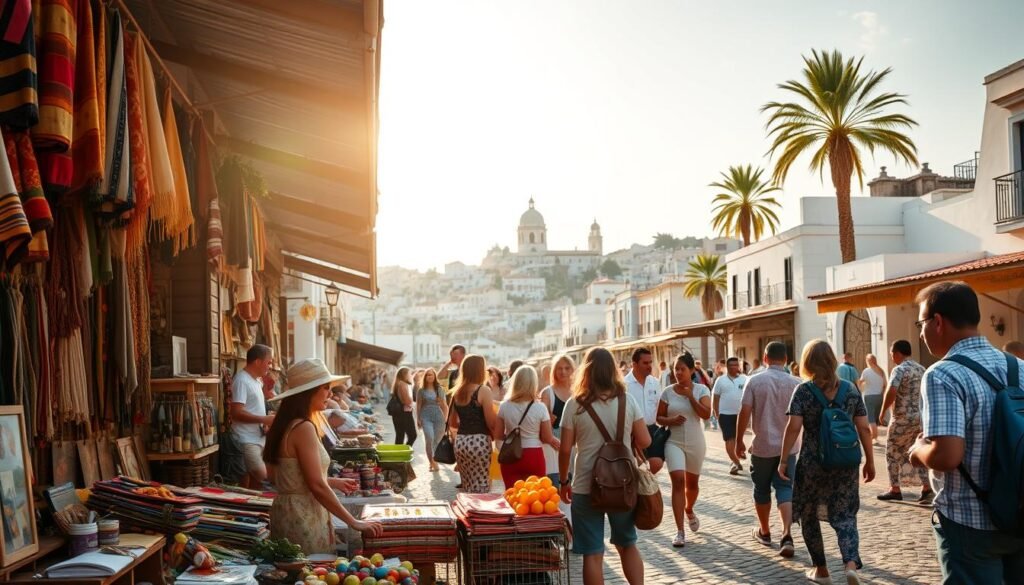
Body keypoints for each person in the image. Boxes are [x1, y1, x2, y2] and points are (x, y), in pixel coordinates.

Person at [909, 281, 1024, 583]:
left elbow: (947, 456)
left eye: (921, 323)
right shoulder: (1020, 367)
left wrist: (918, 451)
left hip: (970, 523)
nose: (921, 332)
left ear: (937, 322)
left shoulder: (943, 374)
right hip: (1021, 512)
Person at [264, 359, 383, 553]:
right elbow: (316, 485)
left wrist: (332, 482)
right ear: (309, 393)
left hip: (287, 512)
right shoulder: (303, 428)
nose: (330, 394)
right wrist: (354, 522)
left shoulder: (285, 424)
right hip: (303, 516)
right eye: (326, 388)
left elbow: (284, 475)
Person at [780, 340, 874, 585]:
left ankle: (821, 571)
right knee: (845, 514)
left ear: (807, 362)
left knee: (809, 514)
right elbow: (864, 428)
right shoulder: (851, 390)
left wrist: (783, 460)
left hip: (813, 463)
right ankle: (850, 564)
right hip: (846, 462)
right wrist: (870, 461)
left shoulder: (803, 391)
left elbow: (794, 428)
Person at [558, 347, 651, 585]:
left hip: (585, 485)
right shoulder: (627, 400)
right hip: (623, 484)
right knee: (627, 543)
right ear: (612, 370)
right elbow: (646, 441)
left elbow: (566, 448)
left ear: (585, 372)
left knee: (592, 552)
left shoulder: (575, 404)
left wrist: (563, 482)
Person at [735, 342, 800, 558]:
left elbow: (744, 412)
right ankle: (787, 533)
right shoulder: (796, 383)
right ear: (785, 358)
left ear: (765, 358)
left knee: (761, 489)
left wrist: (738, 441)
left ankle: (764, 531)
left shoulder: (754, 381)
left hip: (762, 446)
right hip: (788, 449)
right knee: (785, 487)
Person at [656, 352, 711, 548]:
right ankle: (680, 531)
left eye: (682, 369)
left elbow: (706, 415)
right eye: (675, 369)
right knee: (678, 481)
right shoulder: (667, 392)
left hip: (696, 442)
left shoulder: (702, 390)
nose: (678, 372)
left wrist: (691, 398)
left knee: (692, 485)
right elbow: (659, 418)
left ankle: (689, 508)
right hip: (674, 442)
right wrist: (671, 421)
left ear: (692, 370)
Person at [877, 340, 932, 503]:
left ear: (898, 353)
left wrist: (882, 411)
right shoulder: (921, 369)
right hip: (919, 418)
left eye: (892, 353)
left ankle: (895, 488)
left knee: (891, 450)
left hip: (902, 419)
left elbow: (892, 390)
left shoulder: (899, 369)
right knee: (917, 450)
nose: (891, 357)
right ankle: (927, 487)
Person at [494, 366, 560, 489]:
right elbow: (546, 437)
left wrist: (509, 441)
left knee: (512, 497)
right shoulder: (540, 408)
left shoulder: (504, 406)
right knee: (534, 497)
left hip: (511, 456)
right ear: (533, 384)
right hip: (534, 455)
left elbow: (497, 435)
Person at [448, 355, 497, 493]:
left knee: (468, 485)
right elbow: (491, 422)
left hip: (461, 442)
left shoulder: (456, 392)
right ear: (480, 370)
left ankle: (467, 511)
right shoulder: (483, 391)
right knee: (481, 486)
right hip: (479, 442)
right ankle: (479, 512)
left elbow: (453, 422)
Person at [230, 344, 276, 489]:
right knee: (265, 479)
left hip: (258, 438)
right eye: (268, 362)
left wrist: (265, 422)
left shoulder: (257, 380)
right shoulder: (241, 380)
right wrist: (263, 419)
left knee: (256, 484)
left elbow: (253, 409)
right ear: (257, 361)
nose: (270, 366)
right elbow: (236, 413)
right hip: (246, 440)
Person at [624, 347, 664, 474]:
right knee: (637, 470)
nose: (649, 366)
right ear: (634, 364)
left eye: (650, 362)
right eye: (645, 363)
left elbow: (659, 407)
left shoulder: (655, 383)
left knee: (656, 464)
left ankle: (646, 485)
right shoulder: (623, 385)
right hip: (631, 432)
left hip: (652, 429)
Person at [541, 354, 575, 486]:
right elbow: (542, 424)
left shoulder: (579, 392)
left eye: (567, 368)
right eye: (559, 368)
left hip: (576, 448)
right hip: (554, 449)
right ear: (554, 371)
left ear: (572, 370)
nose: (563, 372)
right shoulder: (547, 393)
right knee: (556, 489)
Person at [712, 357, 747, 475]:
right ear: (727, 367)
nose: (734, 367)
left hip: (741, 414)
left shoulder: (745, 379)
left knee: (738, 439)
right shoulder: (720, 380)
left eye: (736, 365)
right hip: (725, 414)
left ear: (739, 366)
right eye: (731, 365)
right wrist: (716, 411)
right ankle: (736, 462)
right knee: (729, 439)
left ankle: (736, 458)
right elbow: (715, 396)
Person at [416, 368, 448, 472]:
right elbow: (418, 405)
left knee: (437, 441)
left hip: (439, 417)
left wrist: (446, 419)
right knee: (429, 438)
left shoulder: (439, 389)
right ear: (425, 377)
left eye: (431, 375)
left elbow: (445, 405)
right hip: (425, 416)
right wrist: (418, 418)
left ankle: (434, 460)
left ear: (435, 377)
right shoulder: (421, 390)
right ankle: (432, 462)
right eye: (427, 375)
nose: (430, 376)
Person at [858, 354, 887, 443]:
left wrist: (860, 388)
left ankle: (874, 437)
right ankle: (874, 436)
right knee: (875, 418)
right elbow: (885, 385)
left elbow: (860, 382)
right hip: (880, 396)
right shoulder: (881, 371)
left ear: (868, 361)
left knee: (870, 418)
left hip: (869, 396)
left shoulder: (866, 371)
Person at [390, 367, 417, 446]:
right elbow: (407, 401)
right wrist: (414, 402)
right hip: (404, 414)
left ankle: (399, 455)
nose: (410, 375)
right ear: (404, 375)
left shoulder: (399, 383)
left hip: (399, 414)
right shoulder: (403, 384)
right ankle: (405, 452)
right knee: (412, 435)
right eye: (409, 373)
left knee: (400, 436)